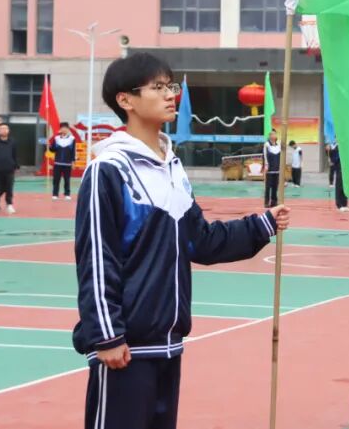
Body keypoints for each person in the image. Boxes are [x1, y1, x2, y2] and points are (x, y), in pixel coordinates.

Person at [73, 52, 290, 429]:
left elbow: (200, 242)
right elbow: (96, 257)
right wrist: (106, 336)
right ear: (125, 100)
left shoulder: (173, 169)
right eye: (158, 87)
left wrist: (262, 225)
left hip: (169, 343)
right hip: (126, 348)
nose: (171, 94)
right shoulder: (108, 170)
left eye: (170, 86)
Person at [49, 123, 76, 200]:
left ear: (68, 129)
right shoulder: (57, 139)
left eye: (65, 128)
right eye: (62, 128)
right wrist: (50, 146)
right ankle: (55, 194)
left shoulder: (72, 139)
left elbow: (73, 151)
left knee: (67, 179)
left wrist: (73, 162)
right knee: (56, 179)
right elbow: (53, 150)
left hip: (67, 163)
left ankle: (67, 194)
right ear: (60, 129)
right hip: (57, 163)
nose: (64, 129)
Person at [262, 130, 281, 208]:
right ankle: (266, 202)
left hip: (277, 168)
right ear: (270, 136)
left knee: (275, 186)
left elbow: (281, 155)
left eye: (275, 134)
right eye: (272, 135)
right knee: (268, 187)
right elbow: (265, 155)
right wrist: (266, 165)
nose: (274, 136)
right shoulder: (267, 145)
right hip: (269, 169)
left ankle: (274, 201)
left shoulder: (278, 144)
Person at [331, 142, 348, 212]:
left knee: (345, 186)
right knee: (339, 186)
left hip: (345, 168)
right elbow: (333, 158)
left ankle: (344, 204)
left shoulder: (345, 145)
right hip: (339, 167)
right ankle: (339, 205)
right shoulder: (336, 147)